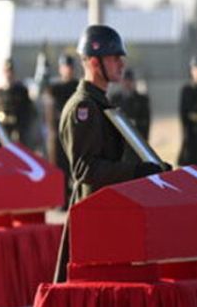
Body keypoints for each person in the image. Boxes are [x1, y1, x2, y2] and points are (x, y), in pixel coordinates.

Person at [55, 24, 166, 281]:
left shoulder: (101, 103)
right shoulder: (84, 107)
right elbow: (84, 169)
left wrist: (152, 168)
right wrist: (136, 172)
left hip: (109, 212)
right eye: (114, 57)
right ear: (94, 62)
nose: (121, 63)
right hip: (93, 217)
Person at [44, 54, 79, 208]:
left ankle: (76, 198)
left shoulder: (78, 86)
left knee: (75, 168)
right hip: (57, 135)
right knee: (59, 168)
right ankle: (62, 200)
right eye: (65, 67)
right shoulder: (55, 88)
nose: (68, 70)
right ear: (60, 69)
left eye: (70, 67)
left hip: (75, 133)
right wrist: (43, 73)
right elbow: (46, 91)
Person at [0, 59, 36, 147]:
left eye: (10, 71)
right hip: (1, 132)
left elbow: (29, 112)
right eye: (6, 71)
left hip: (18, 132)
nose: (8, 74)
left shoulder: (21, 92)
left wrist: (21, 129)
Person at [109, 68, 150, 140]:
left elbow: (146, 122)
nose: (127, 83)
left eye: (130, 80)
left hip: (136, 138)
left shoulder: (142, 100)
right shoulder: (114, 99)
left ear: (134, 82)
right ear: (121, 82)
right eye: (125, 80)